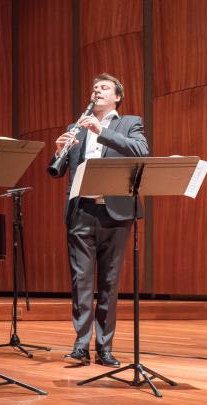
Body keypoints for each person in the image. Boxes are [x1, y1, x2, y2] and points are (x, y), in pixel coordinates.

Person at [51, 73, 149, 367]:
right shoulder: (75, 127)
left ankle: (104, 347)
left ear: (117, 96)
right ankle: (80, 346)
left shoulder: (129, 123)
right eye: (94, 88)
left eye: (104, 88)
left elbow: (141, 151)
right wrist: (61, 151)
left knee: (108, 281)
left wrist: (101, 130)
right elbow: (67, 170)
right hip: (82, 210)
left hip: (116, 213)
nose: (97, 91)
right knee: (80, 281)